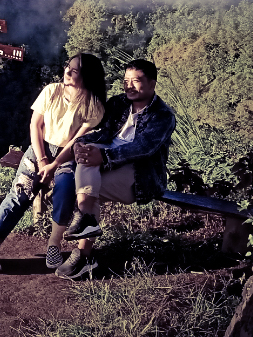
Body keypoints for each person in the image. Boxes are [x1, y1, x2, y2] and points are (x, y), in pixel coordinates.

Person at [0, 53, 107, 273]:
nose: (67, 71)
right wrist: (42, 160)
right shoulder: (52, 91)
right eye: (68, 66)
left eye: (74, 70)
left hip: (66, 156)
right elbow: (35, 125)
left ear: (87, 76)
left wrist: (54, 164)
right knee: (20, 194)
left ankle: (54, 245)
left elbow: (77, 140)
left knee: (65, 190)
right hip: (40, 149)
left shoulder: (94, 105)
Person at [55, 58, 177, 280]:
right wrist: (83, 142)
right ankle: (86, 239)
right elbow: (105, 133)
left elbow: (143, 148)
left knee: (89, 189)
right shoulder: (118, 103)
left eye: (136, 81)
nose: (129, 86)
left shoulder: (163, 115)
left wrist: (104, 156)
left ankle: (84, 247)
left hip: (140, 175)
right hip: (108, 162)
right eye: (126, 80)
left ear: (152, 84)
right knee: (87, 166)